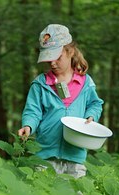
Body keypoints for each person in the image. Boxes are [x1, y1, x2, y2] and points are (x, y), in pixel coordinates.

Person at [18, 23, 104, 179]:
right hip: (45, 154)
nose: (52, 63)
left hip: (75, 153)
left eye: (57, 57)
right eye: (48, 58)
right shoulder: (40, 84)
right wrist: (28, 125)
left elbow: (95, 104)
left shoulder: (85, 83)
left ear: (70, 51)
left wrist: (91, 116)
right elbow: (33, 110)